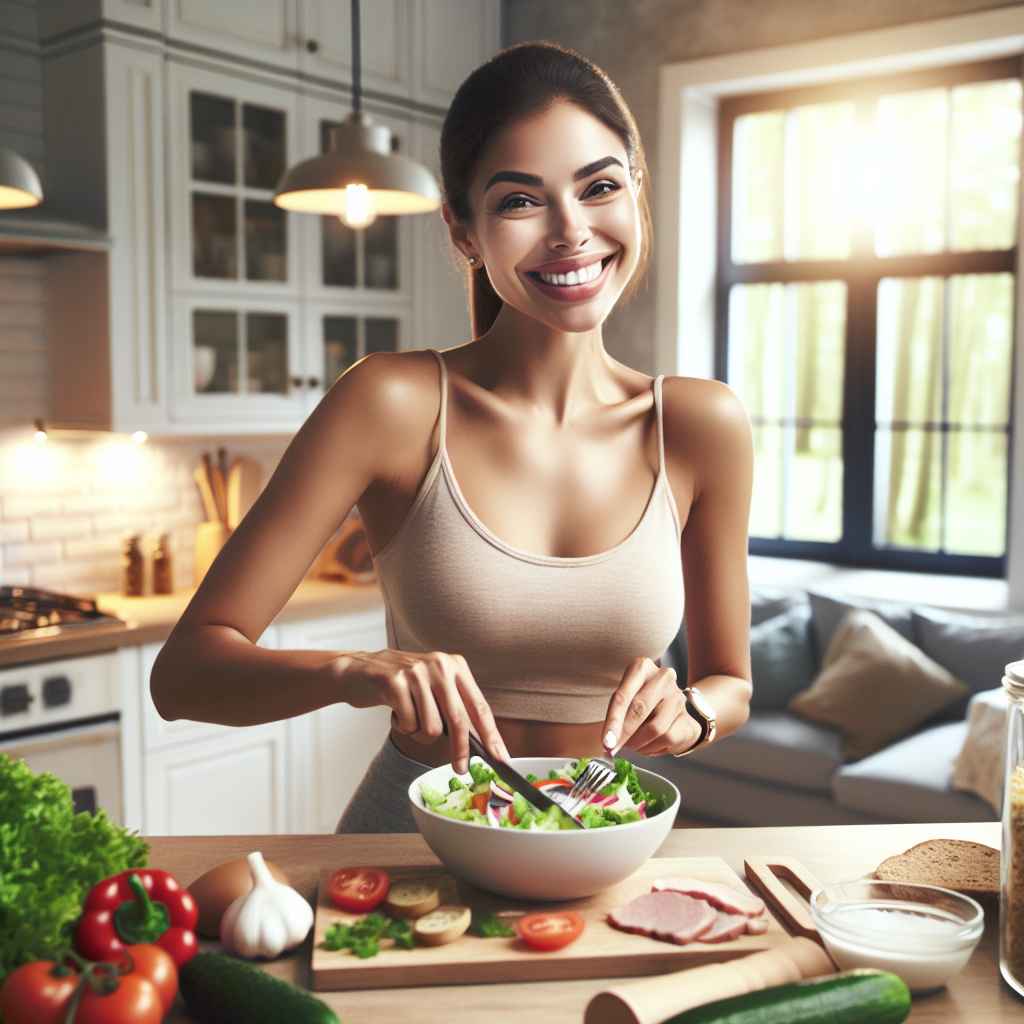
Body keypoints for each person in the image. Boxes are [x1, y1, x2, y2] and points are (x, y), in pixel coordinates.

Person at [150, 42, 753, 834]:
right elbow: (185, 674)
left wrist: (694, 712)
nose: (572, 231)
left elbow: (730, 682)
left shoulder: (701, 425)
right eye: (519, 202)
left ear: (635, 193)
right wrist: (354, 671)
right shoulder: (392, 402)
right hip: (415, 840)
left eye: (599, 186)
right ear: (464, 231)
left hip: (604, 839)